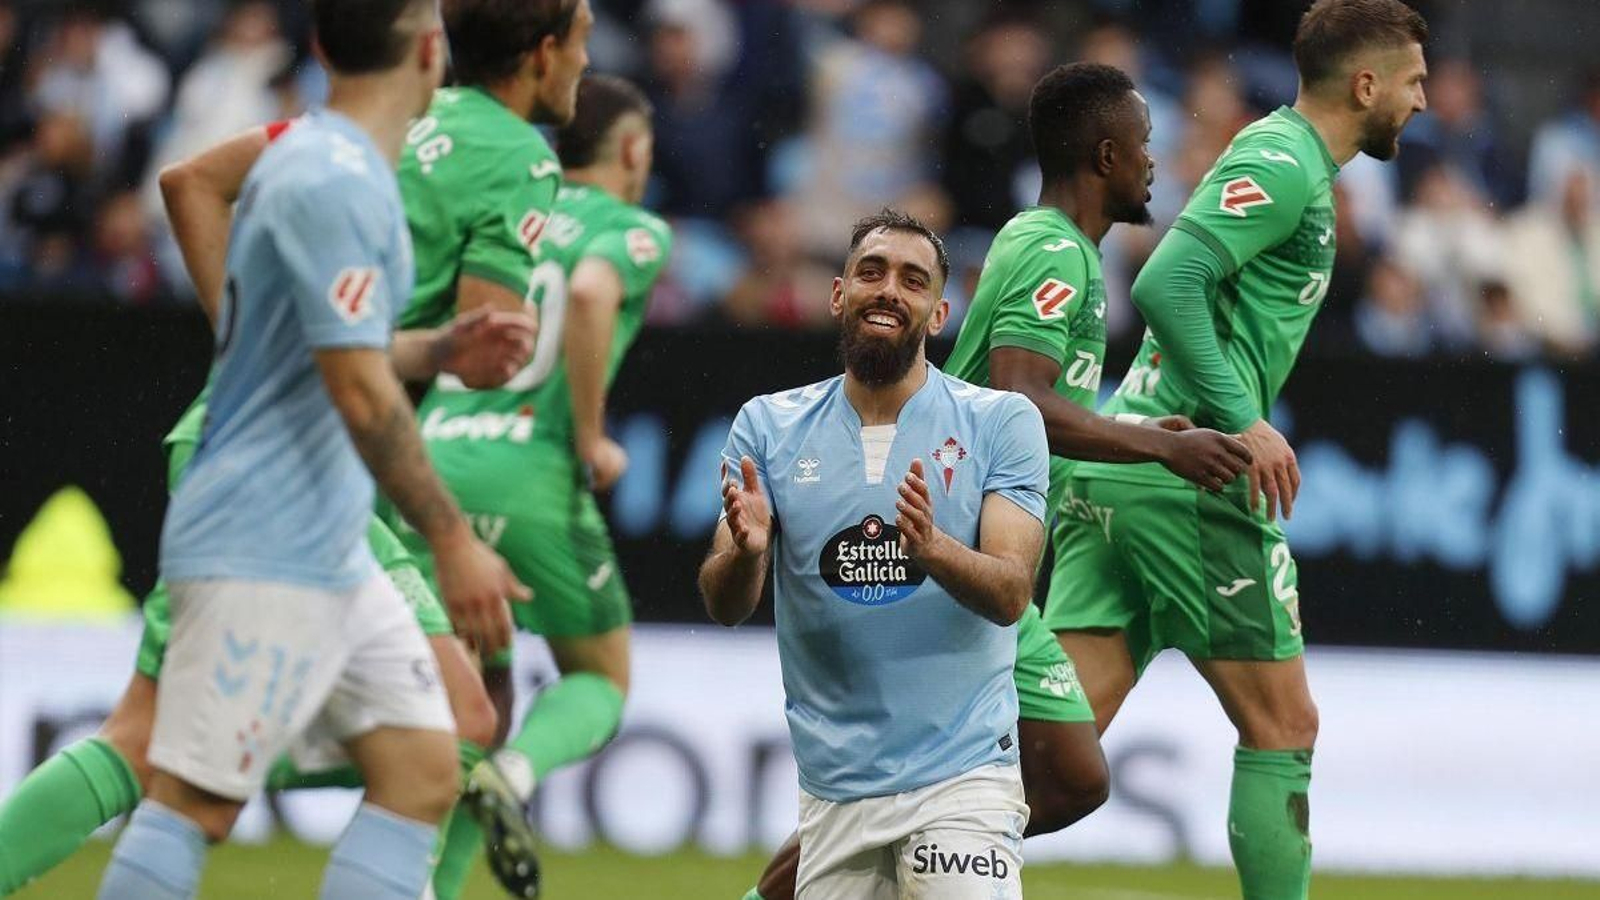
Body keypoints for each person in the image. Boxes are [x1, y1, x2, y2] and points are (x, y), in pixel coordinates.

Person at [739, 62, 1254, 900]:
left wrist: (1129, 438)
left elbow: (1012, 418)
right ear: (1105, 152)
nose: (1155, 165)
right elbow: (1020, 397)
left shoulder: (1059, 248)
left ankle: (906, 849)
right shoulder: (1055, 249)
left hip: (973, 539)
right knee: (1074, 777)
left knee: (1074, 778)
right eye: (1146, 146)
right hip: (957, 554)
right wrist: (1161, 449)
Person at [0, 115, 533, 896]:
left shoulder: (323, 138)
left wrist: (249, 353)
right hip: (285, 466)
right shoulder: (437, 156)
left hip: (312, 464)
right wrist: (452, 534)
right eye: (578, 35)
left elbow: (187, 181)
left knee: (450, 731)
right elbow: (398, 360)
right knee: (160, 747)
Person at [1044, 2, 1428, 899]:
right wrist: (1241, 420)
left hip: (1124, 468)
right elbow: (1166, 279)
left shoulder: (1291, 162)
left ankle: (849, 864)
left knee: (1043, 761)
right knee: (1283, 727)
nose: (1421, 101)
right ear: (1365, 84)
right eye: (1412, 82)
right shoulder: (1284, 159)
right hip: (1189, 469)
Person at [702, 209, 1048, 899]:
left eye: (912, 280)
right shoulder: (767, 427)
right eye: (872, 272)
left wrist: (935, 550)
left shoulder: (1001, 422)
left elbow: (1012, 593)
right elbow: (725, 605)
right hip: (833, 791)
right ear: (839, 295)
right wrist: (747, 553)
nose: (889, 289)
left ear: (939, 312)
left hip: (962, 774)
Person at [390, 73, 673, 898]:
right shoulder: (633, 227)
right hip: (532, 474)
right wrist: (589, 436)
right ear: (632, 151)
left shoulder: (519, 200)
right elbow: (588, 291)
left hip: (431, 461)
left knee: (475, 706)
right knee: (601, 679)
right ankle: (515, 776)